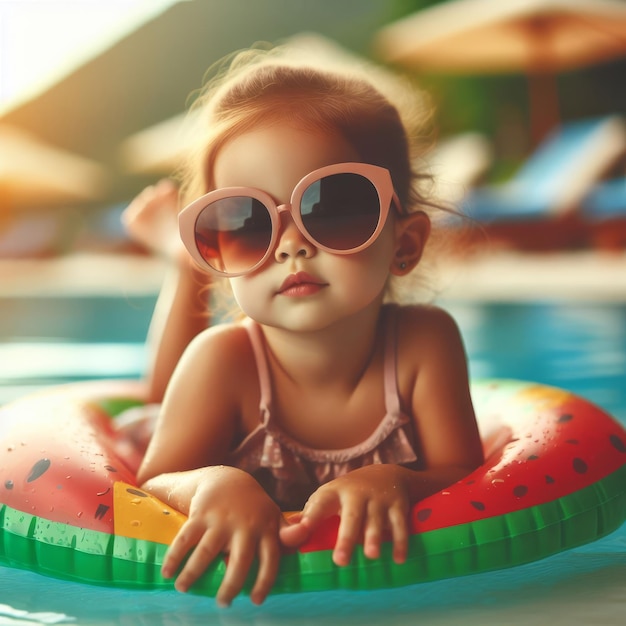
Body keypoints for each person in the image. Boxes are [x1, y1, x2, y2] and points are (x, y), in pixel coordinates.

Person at [133, 46, 484, 608]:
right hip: (197, 385)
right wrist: (215, 482)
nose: (291, 244)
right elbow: (153, 479)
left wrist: (397, 480)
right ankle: (180, 268)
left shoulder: (424, 343)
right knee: (157, 397)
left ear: (406, 243)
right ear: (218, 252)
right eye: (244, 223)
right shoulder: (222, 361)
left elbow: (464, 472)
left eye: (335, 206)